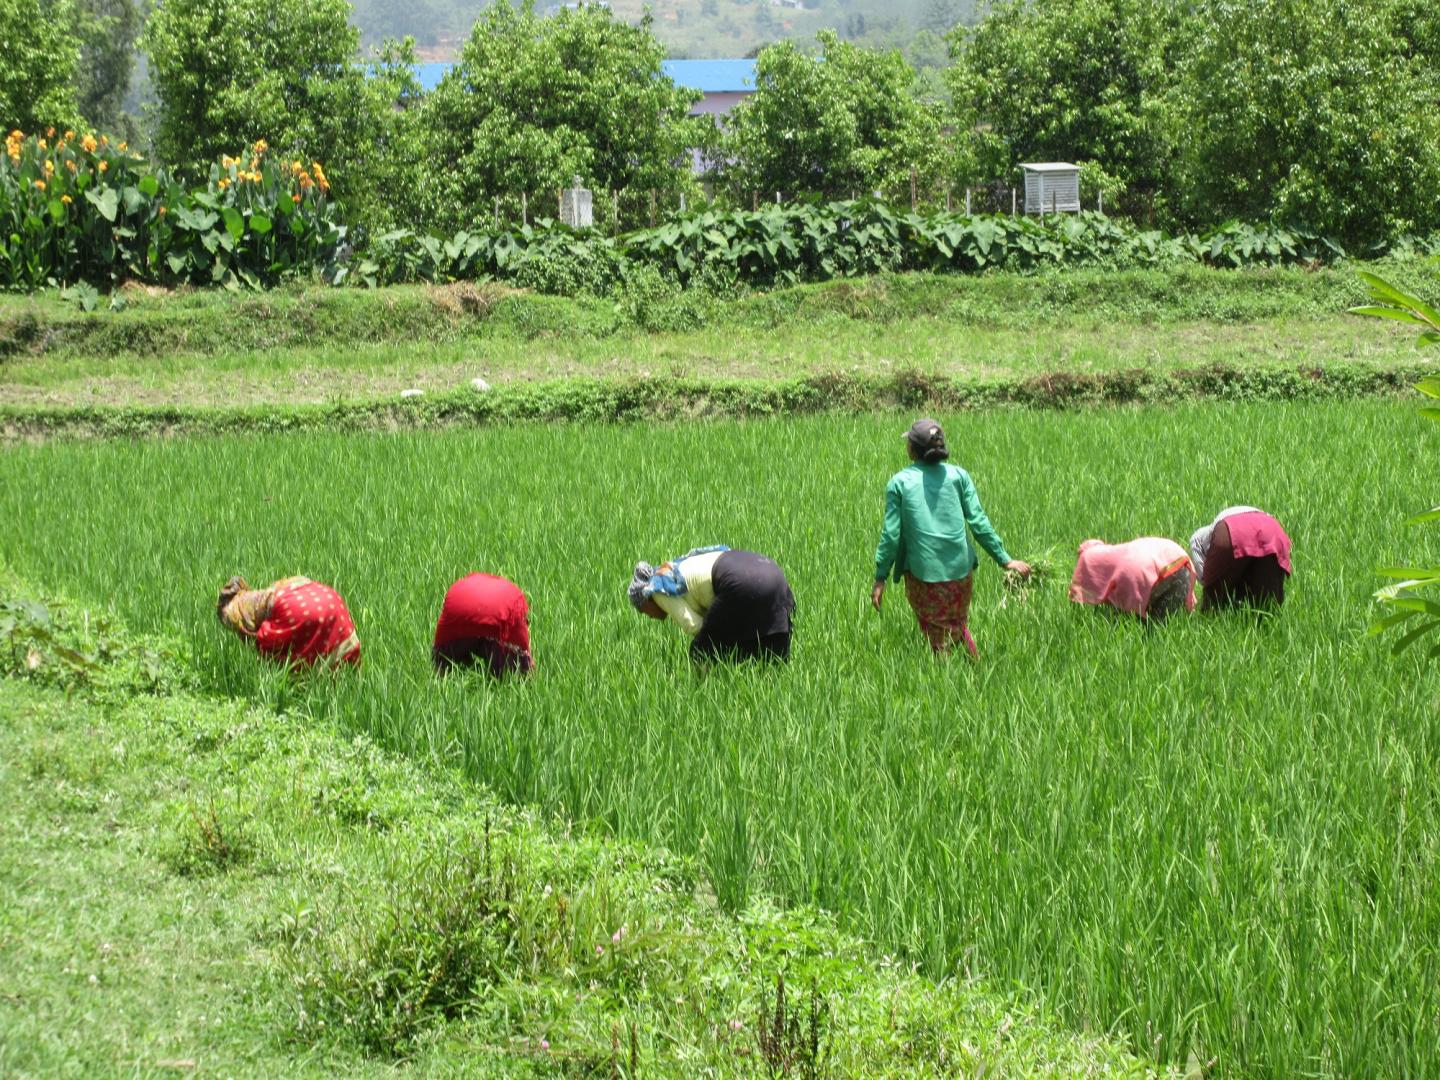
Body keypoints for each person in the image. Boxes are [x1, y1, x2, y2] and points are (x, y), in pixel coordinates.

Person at [871, 418, 1030, 657]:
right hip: (960, 573)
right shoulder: (959, 476)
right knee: (955, 626)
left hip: (924, 576)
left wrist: (880, 577)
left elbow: (891, 535)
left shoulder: (899, 483)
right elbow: (979, 522)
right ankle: (973, 671)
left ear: (913, 449)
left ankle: (947, 687)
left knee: (939, 640)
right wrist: (1005, 559)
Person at [628, 545, 796, 662]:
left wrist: (715, 645)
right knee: (770, 657)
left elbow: (693, 625)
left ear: (646, 598)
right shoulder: (677, 567)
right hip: (774, 575)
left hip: (739, 584)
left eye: (644, 611)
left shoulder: (657, 588)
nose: (649, 616)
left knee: (700, 651)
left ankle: (702, 692)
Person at [216, 575, 361, 666]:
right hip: (333, 601)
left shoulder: (265, 616)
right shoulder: (278, 589)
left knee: (285, 655)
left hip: (303, 610)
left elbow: (267, 647)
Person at [1068, 537, 1195, 622]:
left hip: (1141, 569)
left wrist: (1074, 616)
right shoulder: (1115, 552)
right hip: (1180, 561)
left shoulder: (1087, 557)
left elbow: (1078, 592)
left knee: (1139, 624)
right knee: (1161, 627)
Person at [433, 572, 534, 676]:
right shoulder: (516, 606)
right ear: (527, 620)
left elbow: (440, 643)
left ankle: (458, 666)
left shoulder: (459, 589)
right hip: (499, 613)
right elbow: (526, 658)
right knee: (516, 674)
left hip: (458, 608)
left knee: (443, 666)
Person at [1190, 507, 1292, 609]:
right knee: (1267, 608)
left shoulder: (1197, 538)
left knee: (1212, 606)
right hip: (1271, 530)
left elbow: (1205, 577)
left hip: (1232, 530)